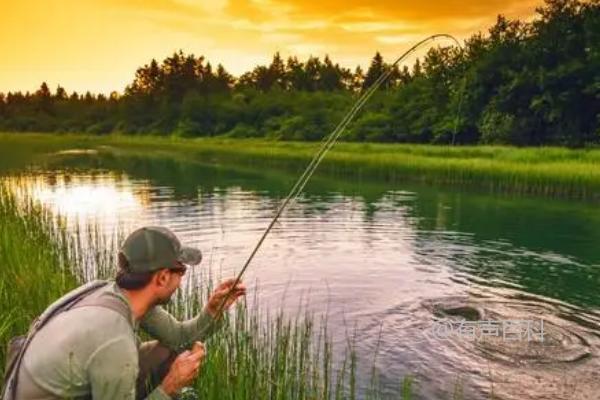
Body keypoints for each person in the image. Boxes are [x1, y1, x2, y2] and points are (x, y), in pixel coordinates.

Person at [6, 226, 245, 399]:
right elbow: (114, 348)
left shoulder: (114, 292)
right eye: (180, 271)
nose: (182, 280)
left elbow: (179, 338)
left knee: (166, 351)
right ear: (162, 277)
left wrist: (213, 310)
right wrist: (170, 386)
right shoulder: (114, 339)